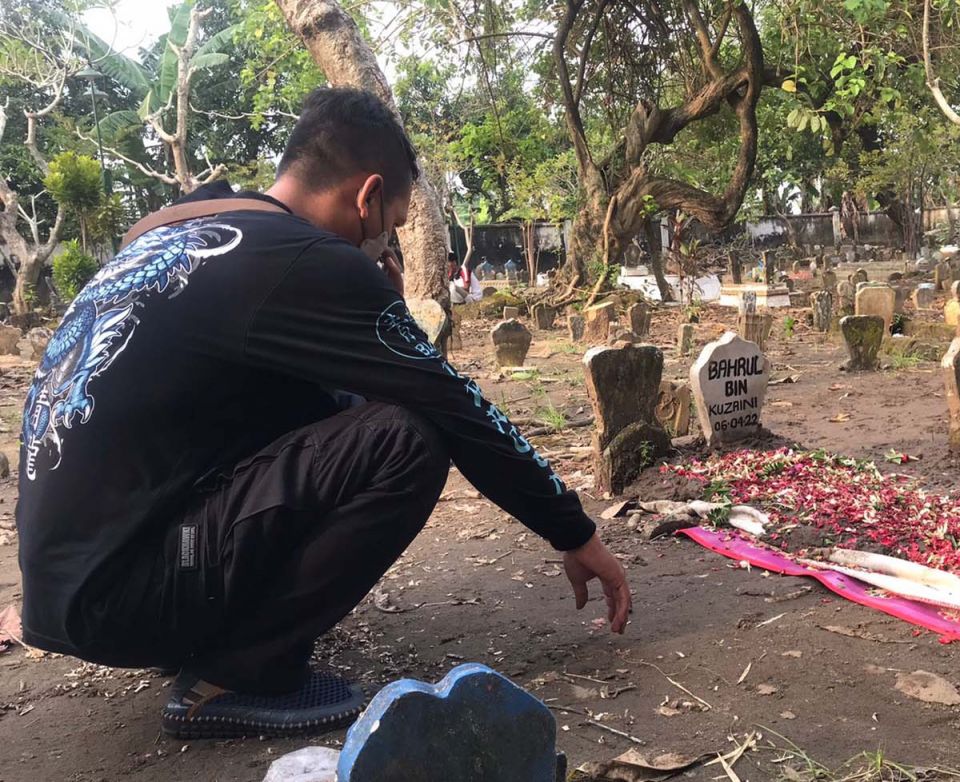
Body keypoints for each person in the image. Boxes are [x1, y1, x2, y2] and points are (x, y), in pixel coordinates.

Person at [16, 87, 630, 739]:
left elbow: (311, 414)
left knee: (347, 407)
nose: (383, 245)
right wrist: (574, 531)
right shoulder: (306, 261)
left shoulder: (193, 229)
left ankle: (196, 639)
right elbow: (453, 404)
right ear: (366, 198)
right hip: (127, 594)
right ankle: (238, 675)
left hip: (80, 589)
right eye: (388, 224)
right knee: (409, 438)